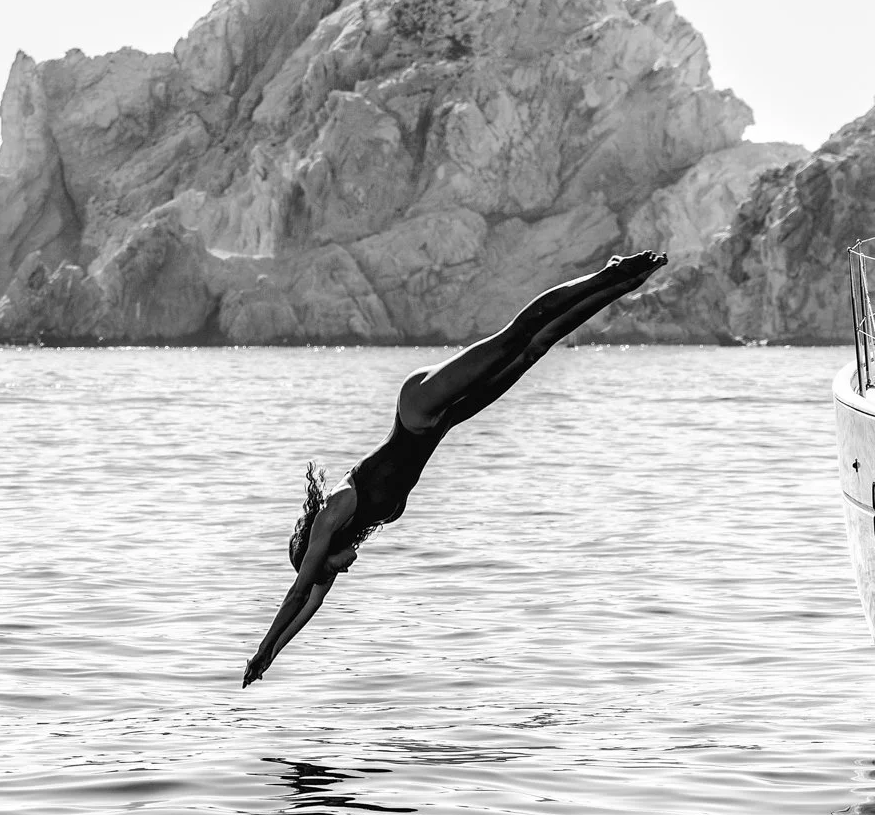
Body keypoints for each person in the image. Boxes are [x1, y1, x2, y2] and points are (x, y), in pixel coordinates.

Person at [242, 249, 665, 686]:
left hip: (417, 409)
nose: (341, 571)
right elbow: (309, 605)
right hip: (442, 424)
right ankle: (621, 287)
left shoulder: (336, 511)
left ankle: (607, 274)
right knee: (533, 350)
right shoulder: (350, 535)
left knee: (514, 338)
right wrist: (271, 657)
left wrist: (259, 646)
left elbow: (297, 595)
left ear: (320, 549)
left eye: (329, 568)